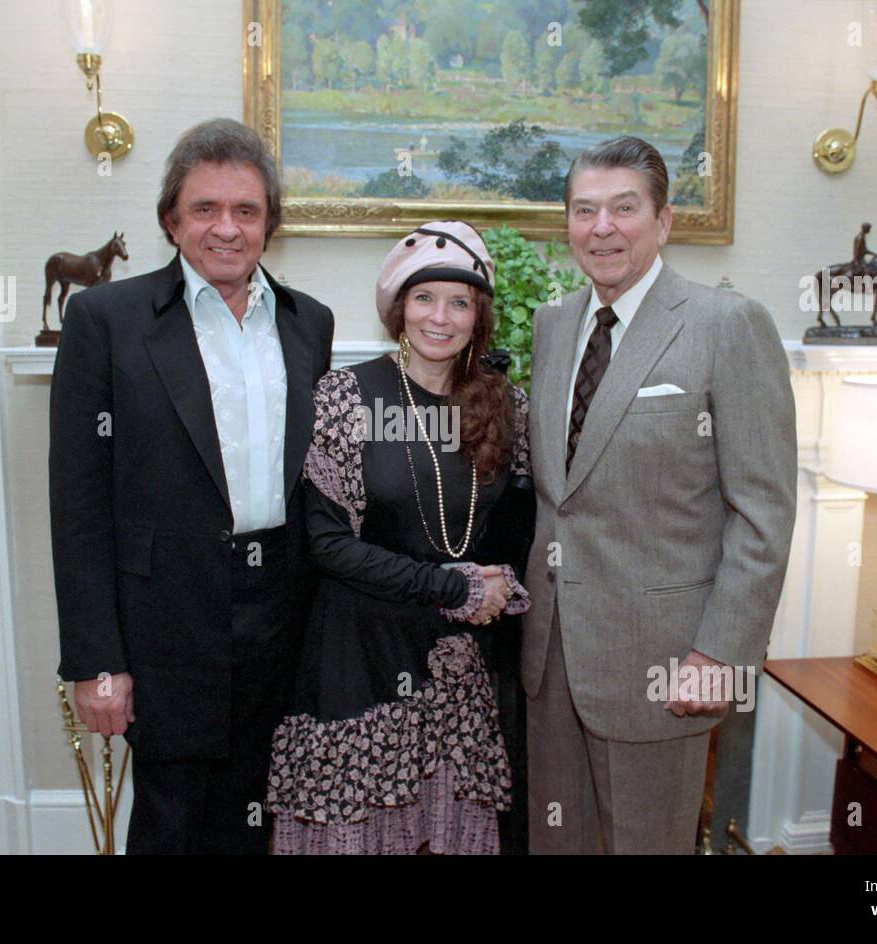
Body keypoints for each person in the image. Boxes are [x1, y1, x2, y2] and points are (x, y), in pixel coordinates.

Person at [49, 118, 334, 854]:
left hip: (283, 611)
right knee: (172, 819)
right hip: (163, 619)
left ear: (270, 222)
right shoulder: (104, 320)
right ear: (171, 220)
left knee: (267, 811)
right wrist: (94, 660)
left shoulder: (311, 324)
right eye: (205, 209)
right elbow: (77, 504)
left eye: (246, 210)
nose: (226, 229)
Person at [521, 136, 797, 854]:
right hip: (551, 658)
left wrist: (719, 655)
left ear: (664, 220)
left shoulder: (726, 325)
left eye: (624, 208)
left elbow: (762, 512)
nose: (602, 228)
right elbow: (561, 496)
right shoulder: (553, 327)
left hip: (664, 664)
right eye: (585, 210)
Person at [266, 221, 532, 854]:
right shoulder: (345, 397)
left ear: (479, 317)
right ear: (398, 309)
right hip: (360, 659)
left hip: (460, 674)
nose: (440, 317)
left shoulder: (506, 406)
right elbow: (328, 545)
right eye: (424, 298)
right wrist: (453, 585)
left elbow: (523, 531)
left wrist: (501, 584)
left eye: (459, 302)